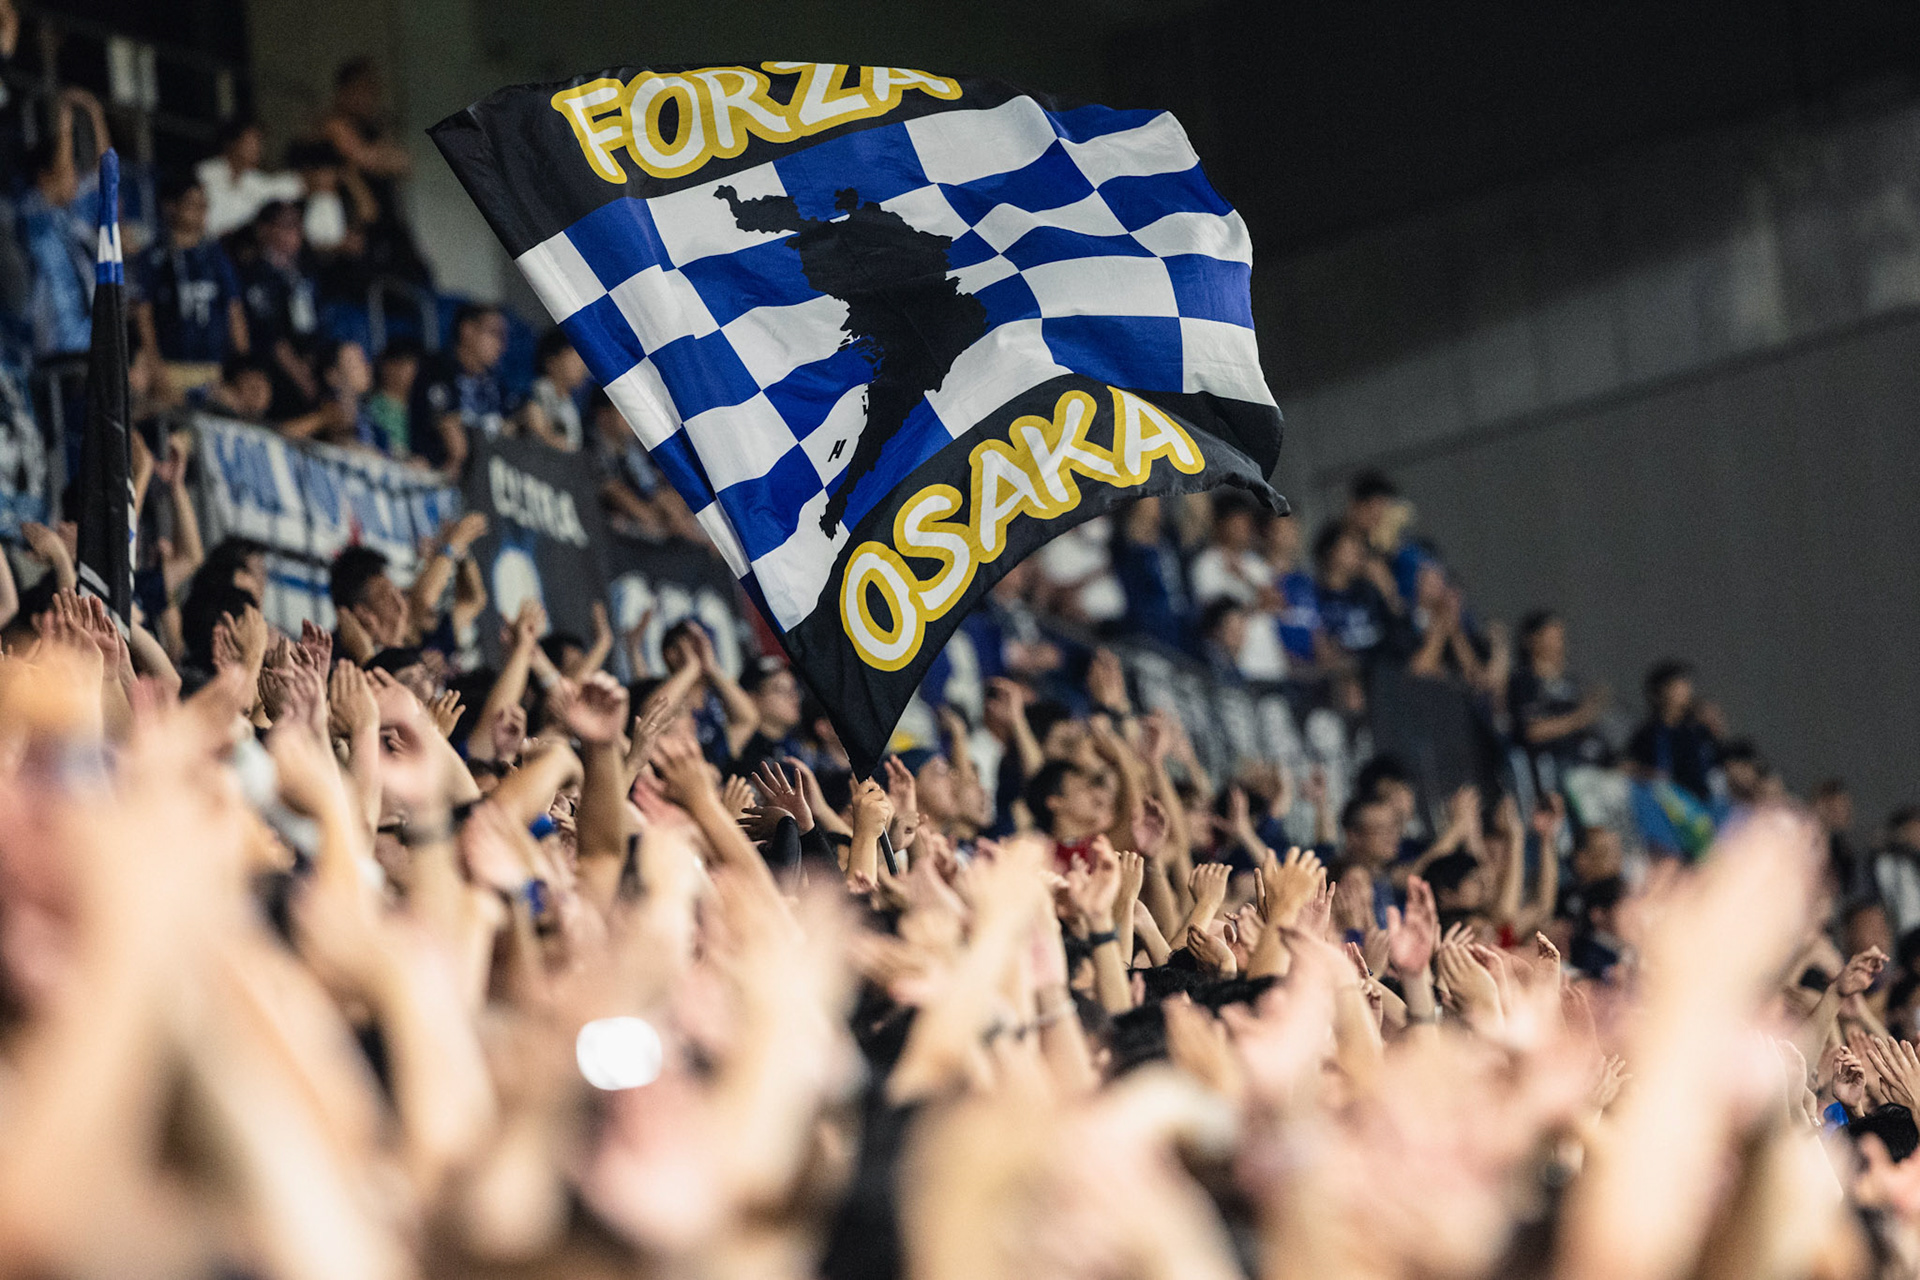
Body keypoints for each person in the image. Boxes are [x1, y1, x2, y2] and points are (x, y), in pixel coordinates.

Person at [131, 171, 249, 397]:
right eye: (192, 205)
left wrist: (242, 365)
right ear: (170, 207)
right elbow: (143, 314)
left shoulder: (216, 255)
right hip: (171, 366)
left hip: (214, 368)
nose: (201, 213)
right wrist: (155, 365)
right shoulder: (155, 255)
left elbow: (234, 309)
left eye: (204, 206)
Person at [18, 88, 108, 361]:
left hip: (89, 335)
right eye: (67, 172)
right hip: (55, 337)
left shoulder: (73, 214)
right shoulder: (34, 209)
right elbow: (59, 182)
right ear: (43, 177)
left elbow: (106, 177)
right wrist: (65, 123)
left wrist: (95, 113)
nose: (74, 180)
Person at [1187, 489, 1288, 679]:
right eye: (1237, 523)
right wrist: (1257, 605)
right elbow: (1214, 614)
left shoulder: (1255, 564)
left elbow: (1279, 603)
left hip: (1271, 662)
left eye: (1246, 523)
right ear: (1221, 524)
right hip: (1235, 664)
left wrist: (1245, 578)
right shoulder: (1207, 563)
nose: (1243, 529)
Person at [240, 199, 322, 416]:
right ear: (264, 230)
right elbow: (271, 337)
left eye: (298, 225)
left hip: (308, 363)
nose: (294, 232)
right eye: (286, 225)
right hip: (273, 371)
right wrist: (301, 377)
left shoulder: (304, 271)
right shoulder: (256, 275)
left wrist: (310, 364)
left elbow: (313, 324)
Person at [409, 302, 510, 474]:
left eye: (503, 338)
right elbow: (455, 444)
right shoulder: (438, 369)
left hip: (486, 476)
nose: (501, 346)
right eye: (495, 334)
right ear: (467, 330)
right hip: (440, 475)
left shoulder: (495, 384)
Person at [1626, 658, 1724, 806]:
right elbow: (1630, 766)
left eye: (1686, 684)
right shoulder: (1648, 734)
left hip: (1703, 806)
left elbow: (1718, 766)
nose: (1686, 689)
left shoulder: (1697, 730)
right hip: (1667, 808)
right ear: (1661, 691)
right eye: (1678, 684)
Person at [196, 118, 305, 240]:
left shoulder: (256, 180)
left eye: (259, 143)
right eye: (251, 142)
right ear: (232, 143)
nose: (257, 148)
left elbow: (286, 189)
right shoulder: (206, 172)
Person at [520, 328, 588, 451]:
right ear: (552, 360)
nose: (582, 365)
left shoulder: (571, 407)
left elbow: (573, 448)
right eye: (575, 356)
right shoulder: (535, 392)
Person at [366, 338, 420, 459]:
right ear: (386, 367)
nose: (409, 371)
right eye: (402, 364)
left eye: (412, 365)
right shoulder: (374, 405)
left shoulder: (420, 406)